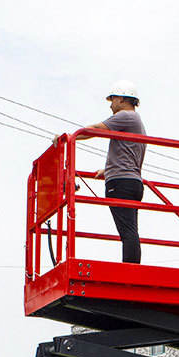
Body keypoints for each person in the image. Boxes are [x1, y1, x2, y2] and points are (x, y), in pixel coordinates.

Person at [54, 80, 146, 263]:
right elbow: (130, 154)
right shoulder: (136, 122)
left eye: (112, 99)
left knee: (127, 231)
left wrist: (69, 138)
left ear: (121, 99)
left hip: (121, 182)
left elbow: (96, 129)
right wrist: (108, 169)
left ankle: (130, 269)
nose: (111, 105)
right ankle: (132, 267)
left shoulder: (126, 116)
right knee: (129, 229)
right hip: (131, 181)